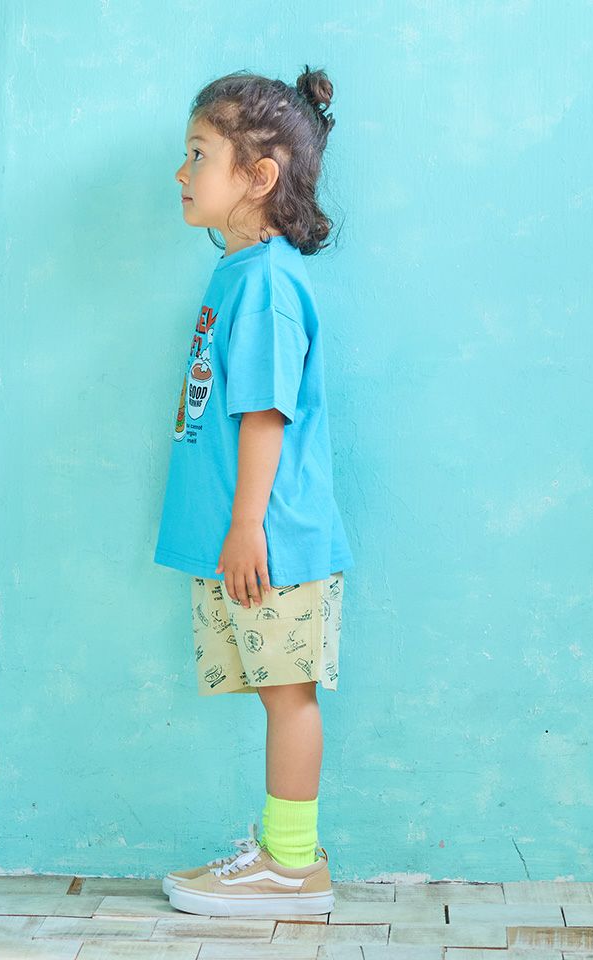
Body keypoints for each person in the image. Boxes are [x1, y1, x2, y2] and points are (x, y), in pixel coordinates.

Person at [153, 65, 354, 917]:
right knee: (278, 692)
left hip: (272, 539)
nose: (181, 170)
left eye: (199, 153)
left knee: (287, 694)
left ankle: (292, 864)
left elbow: (266, 414)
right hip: (249, 538)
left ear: (259, 175)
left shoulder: (266, 283)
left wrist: (245, 525)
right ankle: (283, 854)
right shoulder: (240, 273)